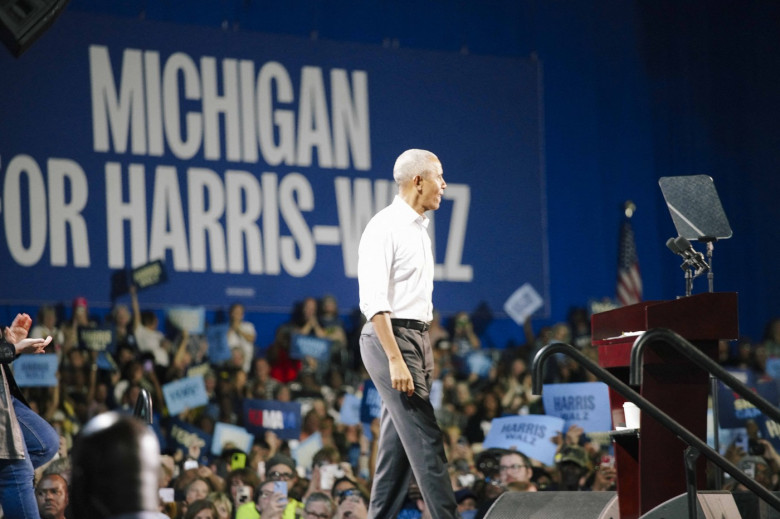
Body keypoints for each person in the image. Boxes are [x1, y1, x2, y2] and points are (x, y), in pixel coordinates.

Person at [357, 149, 457, 518]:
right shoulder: (384, 227)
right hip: (390, 340)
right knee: (427, 441)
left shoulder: (419, 230)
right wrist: (396, 358)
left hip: (416, 339)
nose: (444, 185)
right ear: (418, 181)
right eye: (439, 177)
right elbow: (374, 302)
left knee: (397, 451)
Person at [0, 313, 60, 519]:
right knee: (17, 471)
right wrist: (13, 349)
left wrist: (9, 345)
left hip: (5, 395)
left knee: (46, 443)